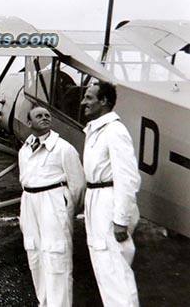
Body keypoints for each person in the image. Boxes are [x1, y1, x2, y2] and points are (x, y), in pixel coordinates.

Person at [18, 106, 86, 307]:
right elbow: (24, 179)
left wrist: (65, 209)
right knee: (35, 254)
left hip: (53, 202)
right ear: (29, 123)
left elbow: (78, 185)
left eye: (47, 115)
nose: (45, 118)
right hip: (30, 202)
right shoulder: (24, 150)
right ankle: (44, 302)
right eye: (39, 116)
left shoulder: (63, 149)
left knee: (57, 256)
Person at [81, 81, 140, 307]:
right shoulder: (96, 129)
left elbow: (128, 178)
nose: (83, 102)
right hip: (95, 201)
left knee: (116, 271)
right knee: (104, 269)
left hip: (109, 202)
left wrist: (120, 220)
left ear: (104, 101)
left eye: (88, 97)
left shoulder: (115, 131)